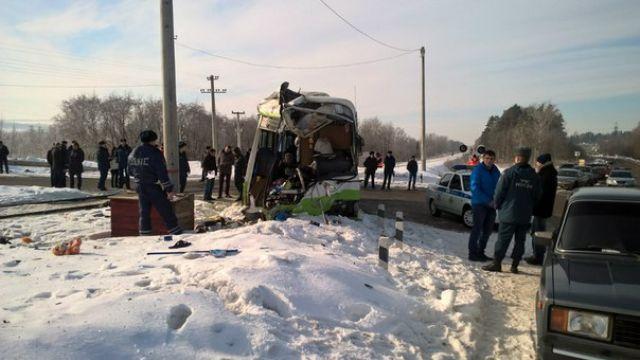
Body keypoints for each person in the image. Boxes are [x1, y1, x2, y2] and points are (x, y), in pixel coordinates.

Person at [483, 147, 541, 274]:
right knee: (520, 241)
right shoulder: (534, 176)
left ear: (518, 157)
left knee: (503, 240)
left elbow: (499, 192)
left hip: (508, 214)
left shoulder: (509, 173)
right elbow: (537, 196)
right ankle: (514, 266)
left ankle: (497, 263)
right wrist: (529, 207)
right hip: (524, 215)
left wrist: (497, 205)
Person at [128, 130, 183, 236]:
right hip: (152, 185)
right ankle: (174, 230)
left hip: (139, 185)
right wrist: (169, 189)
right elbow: (161, 172)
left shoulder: (133, 152)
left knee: (144, 211)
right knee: (165, 208)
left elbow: (129, 171)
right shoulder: (155, 153)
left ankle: (144, 232)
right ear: (153, 140)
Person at [467, 150, 501, 262]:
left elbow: (499, 187)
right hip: (479, 204)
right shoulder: (477, 170)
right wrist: (487, 201)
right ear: (483, 158)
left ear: (494, 159)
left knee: (487, 230)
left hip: (492, 205)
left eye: (491, 159)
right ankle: (472, 253)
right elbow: (474, 188)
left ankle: (481, 252)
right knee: (477, 229)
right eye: (487, 158)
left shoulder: (496, 171)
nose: (489, 161)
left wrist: (497, 200)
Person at [525, 153, 558, 265]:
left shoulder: (545, 175)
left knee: (537, 233)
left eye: (538, 162)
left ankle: (538, 257)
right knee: (537, 232)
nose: (536, 164)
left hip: (541, 209)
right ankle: (537, 255)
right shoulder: (550, 173)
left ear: (542, 163)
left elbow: (539, 193)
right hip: (544, 209)